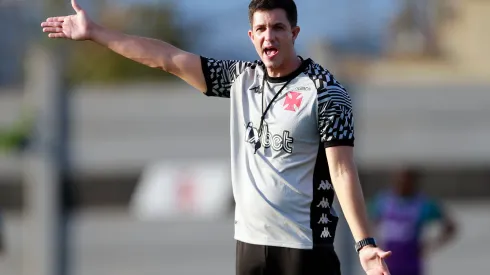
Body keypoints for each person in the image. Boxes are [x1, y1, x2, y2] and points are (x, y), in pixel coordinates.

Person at [41, 0, 392, 274]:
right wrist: (96, 32)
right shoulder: (241, 79)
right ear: (251, 37)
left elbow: (342, 171)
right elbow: (168, 59)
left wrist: (364, 243)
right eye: (262, 29)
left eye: (278, 28)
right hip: (250, 245)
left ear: (294, 33)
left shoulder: (326, 92)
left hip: (304, 247)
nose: (270, 36)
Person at [368, 168, 457, 275]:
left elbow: (450, 227)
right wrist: (373, 244)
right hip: (389, 256)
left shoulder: (423, 203)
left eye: (406, 182)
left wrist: (432, 245)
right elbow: (370, 222)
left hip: (411, 257)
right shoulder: (384, 201)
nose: (401, 185)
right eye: (398, 181)